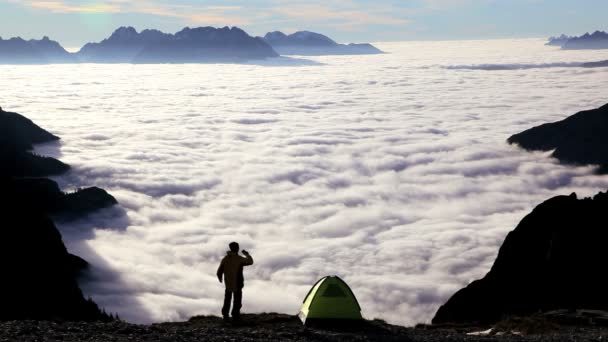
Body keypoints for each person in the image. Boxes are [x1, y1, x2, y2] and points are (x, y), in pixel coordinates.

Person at [216, 242, 253, 321]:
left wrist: (221, 279)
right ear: (237, 248)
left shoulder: (225, 259)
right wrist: (247, 254)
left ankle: (225, 315)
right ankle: (235, 315)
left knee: (227, 299)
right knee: (237, 300)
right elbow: (250, 261)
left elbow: (219, 272)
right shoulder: (239, 259)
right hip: (237, 283)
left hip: (228, 283)